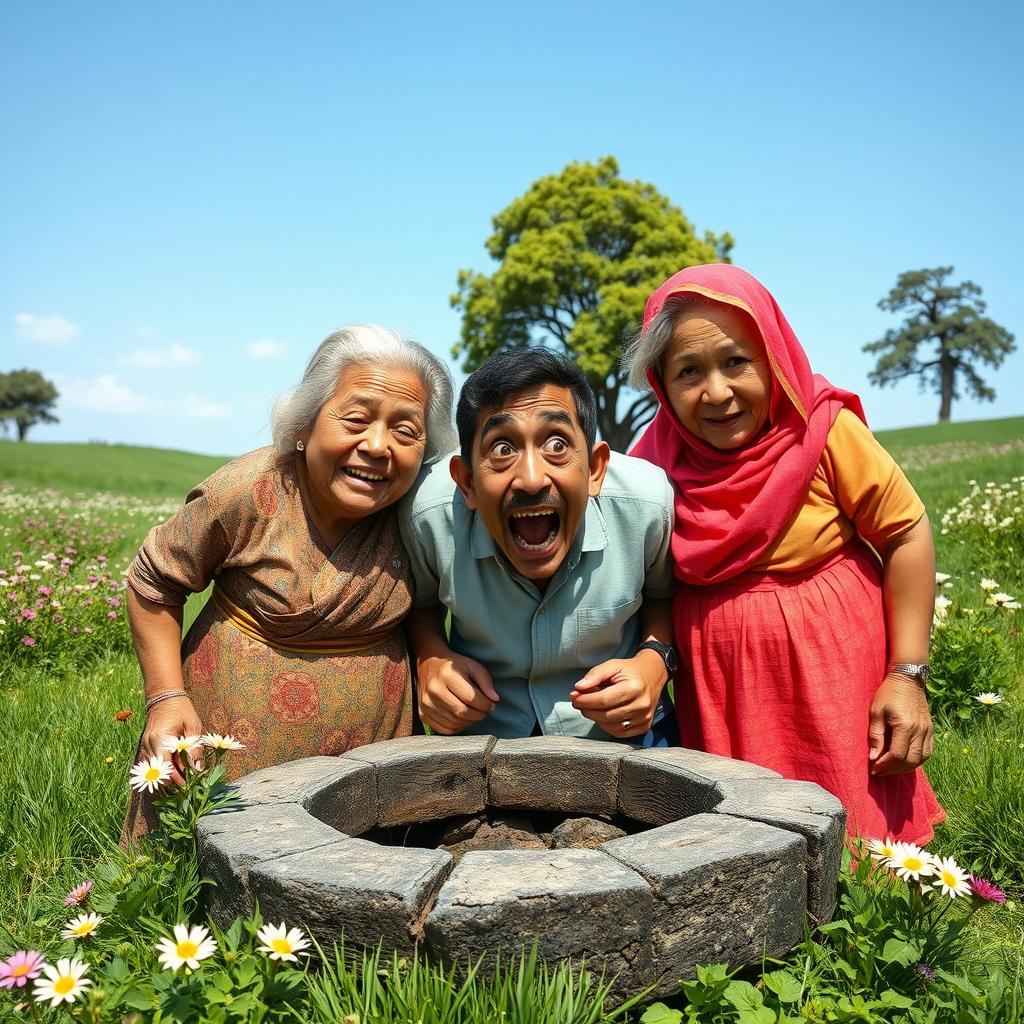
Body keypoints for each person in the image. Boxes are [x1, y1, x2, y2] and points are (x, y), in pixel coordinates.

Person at [625, 263, 944, 843]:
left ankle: (871, 924)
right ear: (662, 387)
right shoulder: (648, 467)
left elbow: (905, 532)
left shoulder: (823, 429)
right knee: (743, 838)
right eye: (688, 371)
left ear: (773, 357)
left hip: (835, 671)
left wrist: (908, 675)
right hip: (721, 690)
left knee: (860, 844)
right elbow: (641, 583)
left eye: (736, 362)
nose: (716, 391)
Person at [125, 325, 456, 793]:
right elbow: (155, 579)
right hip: (225, 751)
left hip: (373, 766)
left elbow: (431, 602)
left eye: (406, 430)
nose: (379, 445)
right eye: (356, 419)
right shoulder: (246, 492)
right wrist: (166, 698)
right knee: (192, 863)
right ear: (305, 423)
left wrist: (431, 658)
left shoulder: (420, 512)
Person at [399, 348, 679, 744]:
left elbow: (662, 595)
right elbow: (421, 604)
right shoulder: (427, 516)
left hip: (627, 736)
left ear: (595, 469)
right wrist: (429, 659)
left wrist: (654, 664)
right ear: (466, 482)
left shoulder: (647, 507)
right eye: (502, 449)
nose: (531, 479)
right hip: (483, 737)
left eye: (557, 445)